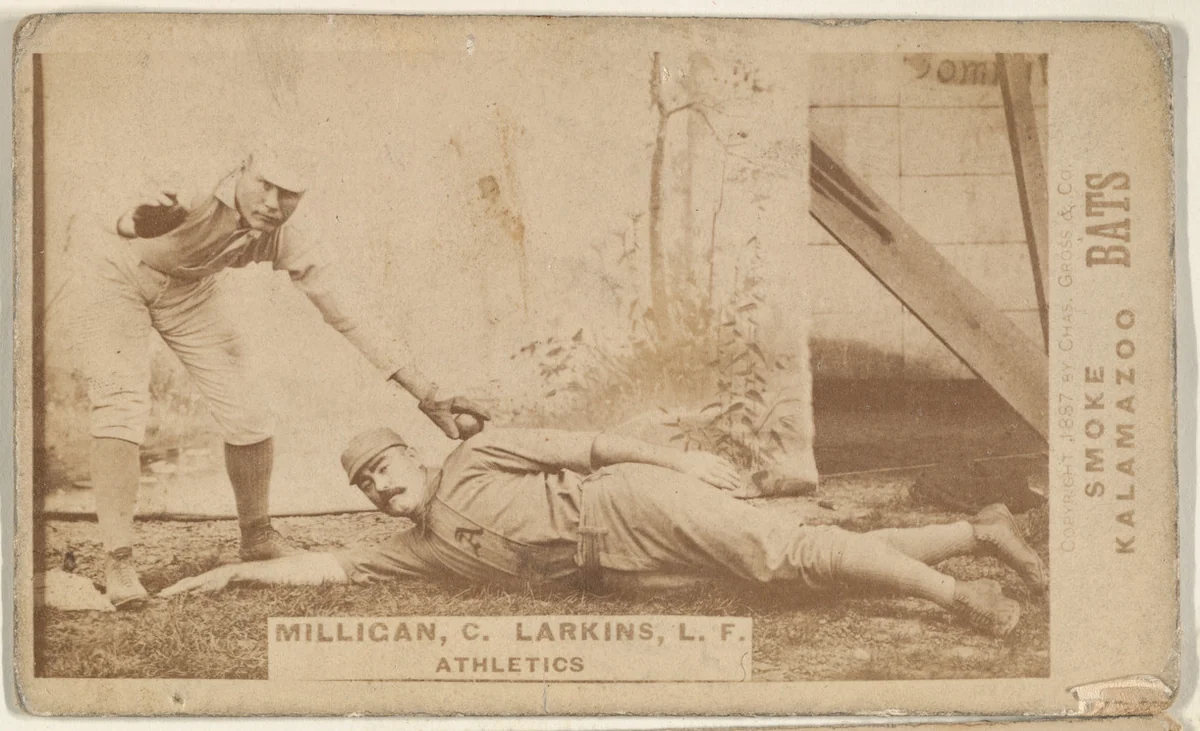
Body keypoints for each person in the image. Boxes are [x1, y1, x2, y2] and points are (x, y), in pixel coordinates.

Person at [74, 141, 491, 609]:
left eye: (288, 193)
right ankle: (120, 562)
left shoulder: (287, 232)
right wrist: (134, 221)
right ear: (242, 169)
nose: (273, 203)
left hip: (187, 289)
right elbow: (121, 211)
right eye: (265, 185)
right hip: (112, 271)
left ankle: (257, 538)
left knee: (248, 409)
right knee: (120, 403)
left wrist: (427, 393)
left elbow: (347, 311)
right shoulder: (195, 183)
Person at [161, 426, 1048, 637]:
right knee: (789, 575)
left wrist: (681, 465)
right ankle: (981, 531)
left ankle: (960, 595)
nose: (382, 489)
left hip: (627, 503)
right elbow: (328, 568)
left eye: (386, 469)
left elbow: (588, 442)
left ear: (414, 454)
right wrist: (232, 577)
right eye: (366, 487)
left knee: (785, 551)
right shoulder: (415, 543)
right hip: (618, 572)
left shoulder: (473, 456)